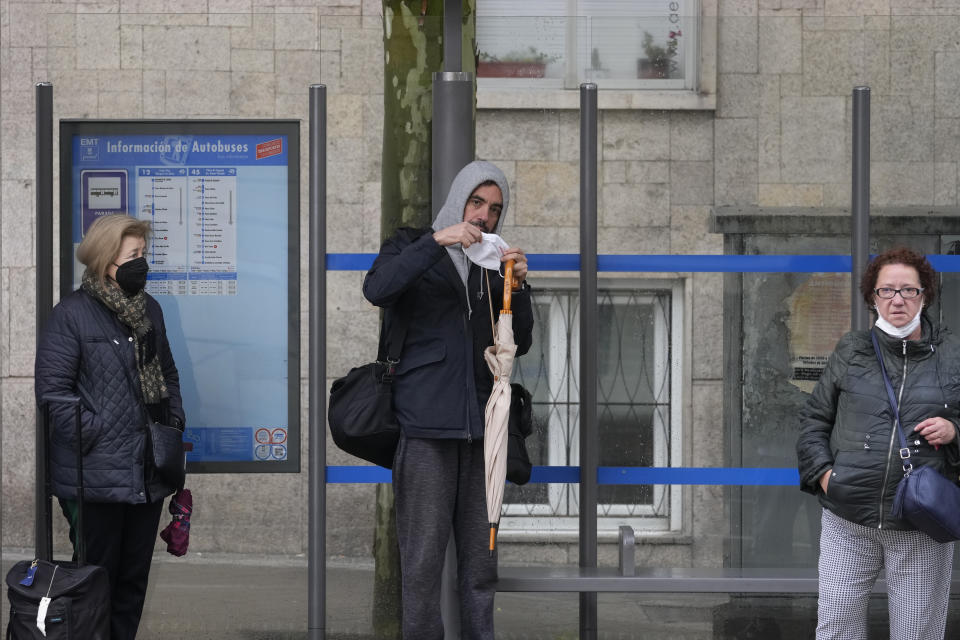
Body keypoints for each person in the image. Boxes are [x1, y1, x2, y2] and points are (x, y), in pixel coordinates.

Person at [363, 160, 534, 639]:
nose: (484, 216)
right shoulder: (411, 244)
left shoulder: (494, 263)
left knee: (480, 570)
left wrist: (518, 286)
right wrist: (438, 241)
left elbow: (520, 339)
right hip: (425, 431)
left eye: (495, 208)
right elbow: (377, 289)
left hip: (484, 434)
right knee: (420, 569)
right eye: (476, 203)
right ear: (459, 199)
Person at [797, 247, 960, 639]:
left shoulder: (952, 356)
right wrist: (825, 476)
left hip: (920, 522)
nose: (898, 300)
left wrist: (955, 432)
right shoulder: (851, 350)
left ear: (926, 295)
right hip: (847, 518)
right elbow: (813, 420)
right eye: (887, 291)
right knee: (836, 628)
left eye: (909, 290)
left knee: (916, 633)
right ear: (873, 297)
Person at [35, 214, 185, 640]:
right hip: (94, 476)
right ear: (105, 260)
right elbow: (53, 392)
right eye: (133, 255)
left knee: (133, 580)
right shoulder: (72, 315)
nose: (143, 263)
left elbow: (169, 375)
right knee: (96, 580)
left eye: (143, 254)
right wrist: (97, 435)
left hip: (147, 470)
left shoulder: (149, 309)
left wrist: (171, 422)